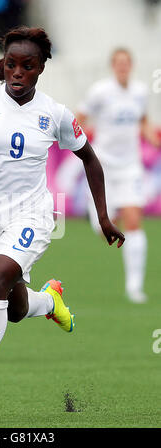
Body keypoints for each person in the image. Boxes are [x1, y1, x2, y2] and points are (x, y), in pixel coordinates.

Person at [0, 26, 125, 413]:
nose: (18, 73)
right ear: (5, 67)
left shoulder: (54, 114)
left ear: (40, 69)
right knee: (14, 309)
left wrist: (102, 217)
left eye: (27, 66)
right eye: (12, 65)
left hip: (31, 215)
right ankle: (48, 303)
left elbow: (90, 158)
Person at [76, 48, 161, 304]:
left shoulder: (140, 92)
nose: (123, 67)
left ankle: (134, 287)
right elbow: (77, 118)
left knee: (134, 221)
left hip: (130, 167)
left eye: (126, 63)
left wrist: (154, 140)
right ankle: (101, 222)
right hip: (102, 167)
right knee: (104, 228)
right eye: (118, 63)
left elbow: (144, 122)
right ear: (113, 66)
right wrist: (81, 144)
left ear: (131, 65)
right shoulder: (100, 91)